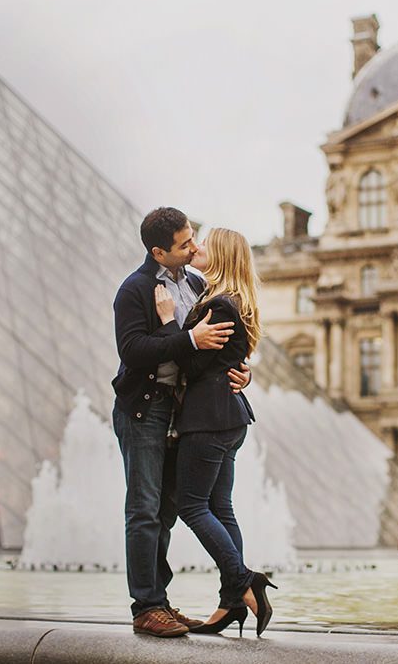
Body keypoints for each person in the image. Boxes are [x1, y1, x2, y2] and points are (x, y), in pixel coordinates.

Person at [111, 207, 251, 637]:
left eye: (193, 238)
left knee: (167, 512)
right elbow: (132, 349)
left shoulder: (195, 284)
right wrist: (188, 336)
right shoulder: (134, 289)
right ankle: (146, 606)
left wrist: (243, 372)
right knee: (144, 509)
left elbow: (216, 348)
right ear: (159, 251)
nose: (193, 247)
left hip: (181, 411)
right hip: (146, 410)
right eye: (185, 243)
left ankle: (163, 602)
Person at [168, 227, 277, 637]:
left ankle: (244, 581)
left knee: (192, 506)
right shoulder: (233, 302)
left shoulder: (219, 306)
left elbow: (191, 368)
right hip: (228, 417)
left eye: (205, 243)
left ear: (223, 256)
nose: (196, 247)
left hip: (208, 418)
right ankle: (231, 604)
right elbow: (223, 362)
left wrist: (170, 328)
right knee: (221, 507)